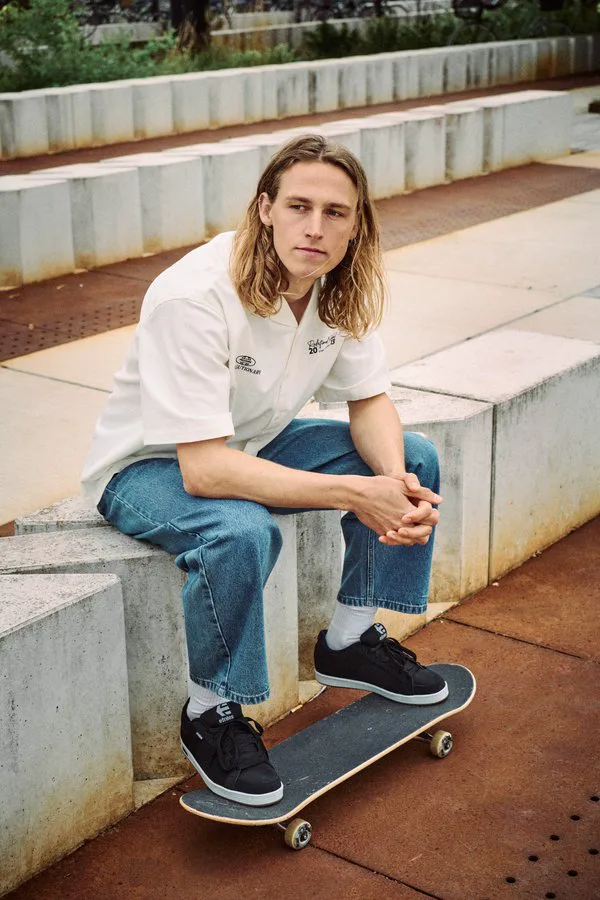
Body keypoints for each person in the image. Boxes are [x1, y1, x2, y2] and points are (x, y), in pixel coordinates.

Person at [81, 133, 446, 809]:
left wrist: (392, 485)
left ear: (356, 225)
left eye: (335, 213)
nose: (315, 227)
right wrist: (353, 492)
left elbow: (369, 401)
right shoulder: (194, 294)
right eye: (299, 206)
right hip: (147, 467)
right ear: (265, 209)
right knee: (241, 530)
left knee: (414, 457)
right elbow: (203, 471)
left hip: (251, 444)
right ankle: (210, 712)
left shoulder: (338, 284)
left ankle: (349, 642)